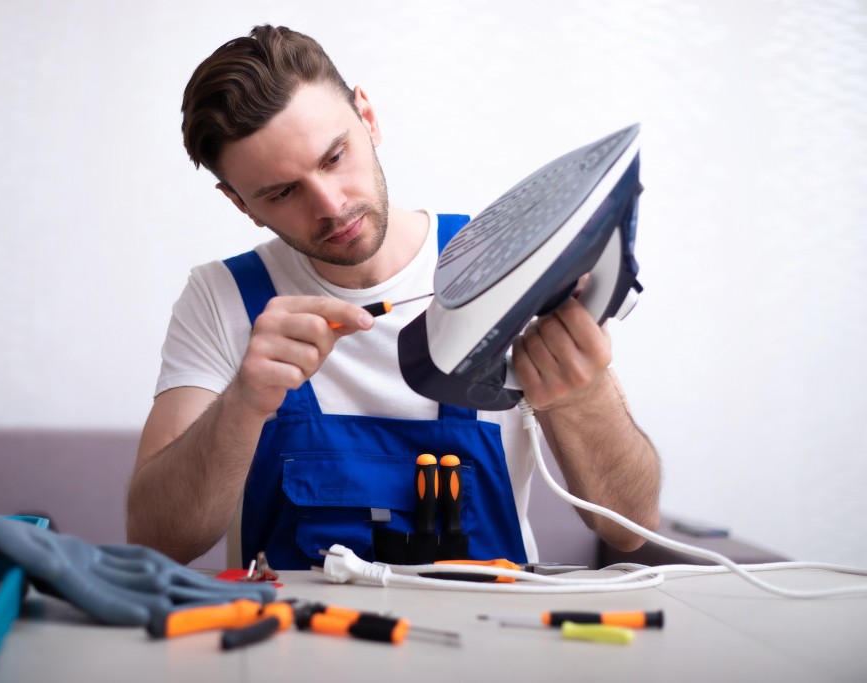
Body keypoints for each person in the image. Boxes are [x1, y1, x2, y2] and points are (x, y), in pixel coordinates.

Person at [126, 25, 661, 569]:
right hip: (289, 646)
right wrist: (244, 402)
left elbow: (630, 527)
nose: (331, 206)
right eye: (283, 192)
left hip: (493, 637)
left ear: (368, 118)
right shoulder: (220, 299)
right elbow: (155, 542)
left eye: (334, 157)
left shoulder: (510, 264)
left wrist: (580, 394)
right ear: (241, 204)